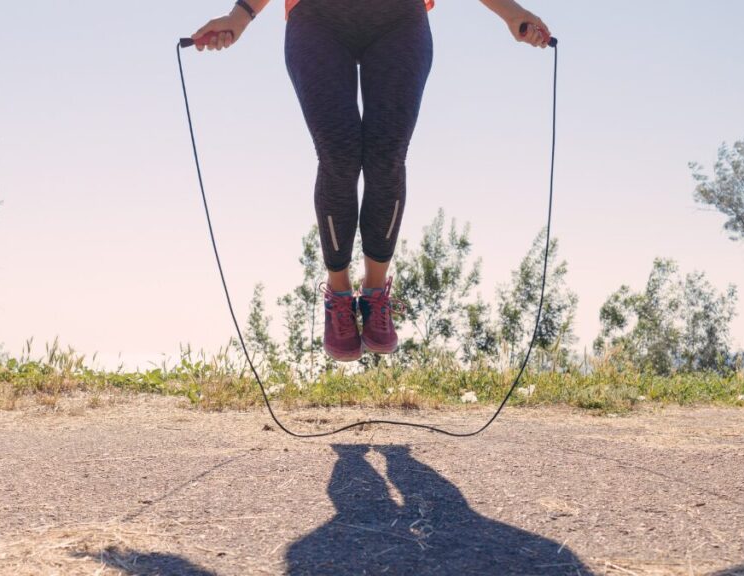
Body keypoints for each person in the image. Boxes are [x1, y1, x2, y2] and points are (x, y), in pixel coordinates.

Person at [191, 0, 551, 362]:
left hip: (398, 19)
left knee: (387, 155)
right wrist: (241, 16)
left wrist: (511, 12)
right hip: (318, 19)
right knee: (340, 155)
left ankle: (375, 291)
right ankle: (339, 295)